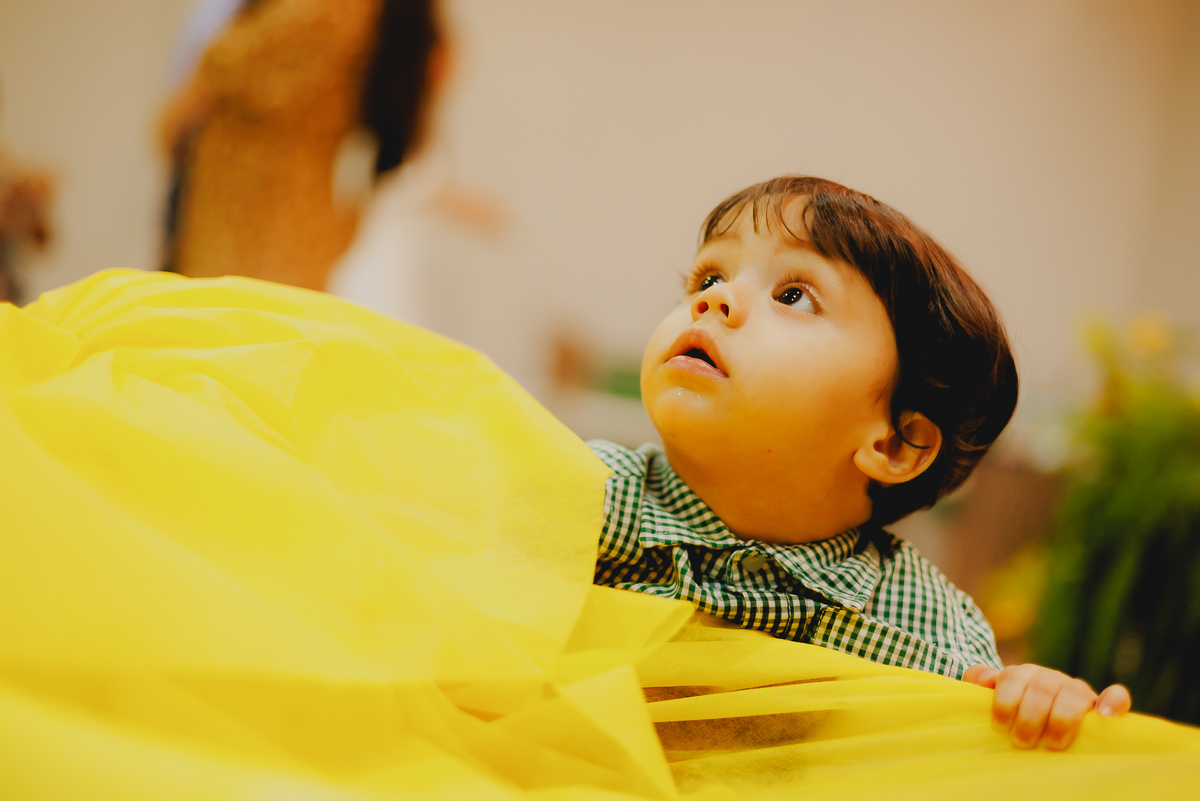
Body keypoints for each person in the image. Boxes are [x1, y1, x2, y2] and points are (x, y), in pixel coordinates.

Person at [589, 175, 1131, 750]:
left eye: (793, 295)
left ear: (895, 445)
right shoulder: (592, 492)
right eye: (709, 277)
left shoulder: (928, 629)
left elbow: (969, 758)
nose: (713, 300)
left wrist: (1034, 707)